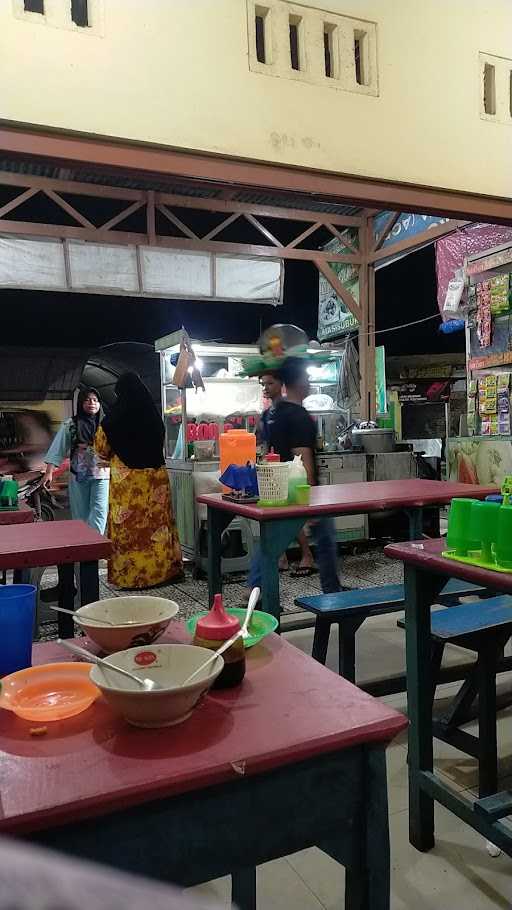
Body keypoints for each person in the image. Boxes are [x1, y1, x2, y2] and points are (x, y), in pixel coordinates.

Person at [249, 358, 341, 595]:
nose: (309, 382)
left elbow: (265, 447)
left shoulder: (271, 412)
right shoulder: (298, 415)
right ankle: (332, 593)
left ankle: (256, 591)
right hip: (298, 491)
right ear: (298, 381)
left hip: (278, 487)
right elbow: (303, 458)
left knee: (271, 543)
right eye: (307, 378)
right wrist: (309, 500)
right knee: (325, 541)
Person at [95, 372, 182, 589]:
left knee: (129, 530)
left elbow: (101, 450)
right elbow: (161, 440)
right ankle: (162, 573)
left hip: (128, 484)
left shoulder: (112, 421)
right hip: (155, 479)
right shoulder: (153, 416)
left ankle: (131, 577)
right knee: (158, 527)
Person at [259, 371, 316, 577]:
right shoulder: (266, 415)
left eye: (270, 383)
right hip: (274, 473)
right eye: (263, 384)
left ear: (281, 384)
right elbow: (265, 446)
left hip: (293, 473)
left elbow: (302, 451)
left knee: (292, 518)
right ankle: (283, 556)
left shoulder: (291, 412)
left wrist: (308, 483)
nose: (265, 387)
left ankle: (307, 555)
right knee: (277, 518)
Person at [43, 387, 109, 533]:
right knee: (80, 514)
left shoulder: (107, 425)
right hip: (78, 475)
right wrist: (49, 472)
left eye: (95, 400)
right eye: (87, 400)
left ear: (100, 404)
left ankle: (95, 547)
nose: (91, 403)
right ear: (80, 403)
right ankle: (83, 545)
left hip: (102, 475)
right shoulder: (71, 424)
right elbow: (58, 447)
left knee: (100, 511)